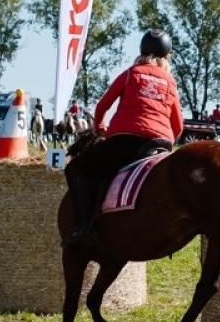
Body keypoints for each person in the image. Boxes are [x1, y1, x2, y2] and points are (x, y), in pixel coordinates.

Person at [64, 29, 184, 243]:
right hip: (160, 143)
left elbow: (102, 106)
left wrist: (100, 128)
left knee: (76, 168)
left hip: (126, 140)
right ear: (167, 57)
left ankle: (82, 226)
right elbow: (178, 125)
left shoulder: (131, 73)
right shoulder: (170, 81)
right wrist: (167, 145)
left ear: (141, 52)